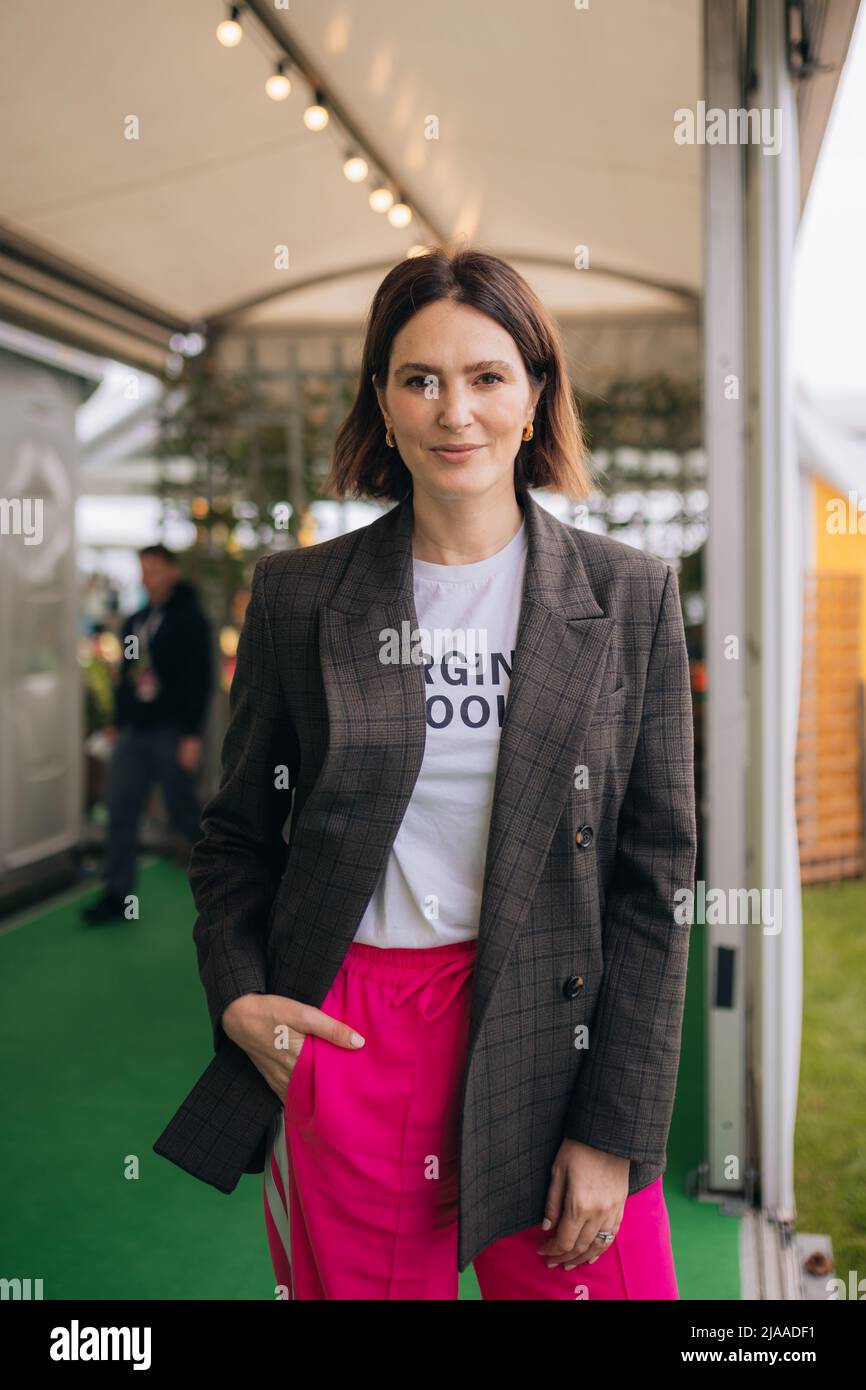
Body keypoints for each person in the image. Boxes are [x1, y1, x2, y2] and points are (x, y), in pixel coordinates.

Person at [153, 247, 697, 1300]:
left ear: (534, 398)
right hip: (354, 1030)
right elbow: (233, 836)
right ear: (382, 403)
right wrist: (238, 995)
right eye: (421, 379)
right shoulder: (301, 594)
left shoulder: (626, 596)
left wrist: (613, 1127)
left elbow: (656, 879)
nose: (457, 412)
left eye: (488, 377)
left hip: (552, 1017)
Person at [82, 544, 213, 924]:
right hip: (135, 733)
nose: (148, 576)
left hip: (171, 731)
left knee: (184, 813)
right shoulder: (135, 621)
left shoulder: (190, 620)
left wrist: (191, 735)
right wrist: (118, 719)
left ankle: (233, 885)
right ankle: (117, 895)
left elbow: (198, 680)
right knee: (120, 809)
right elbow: (127, 675)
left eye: (155, 568)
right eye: (144, 569)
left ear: (172, 571)